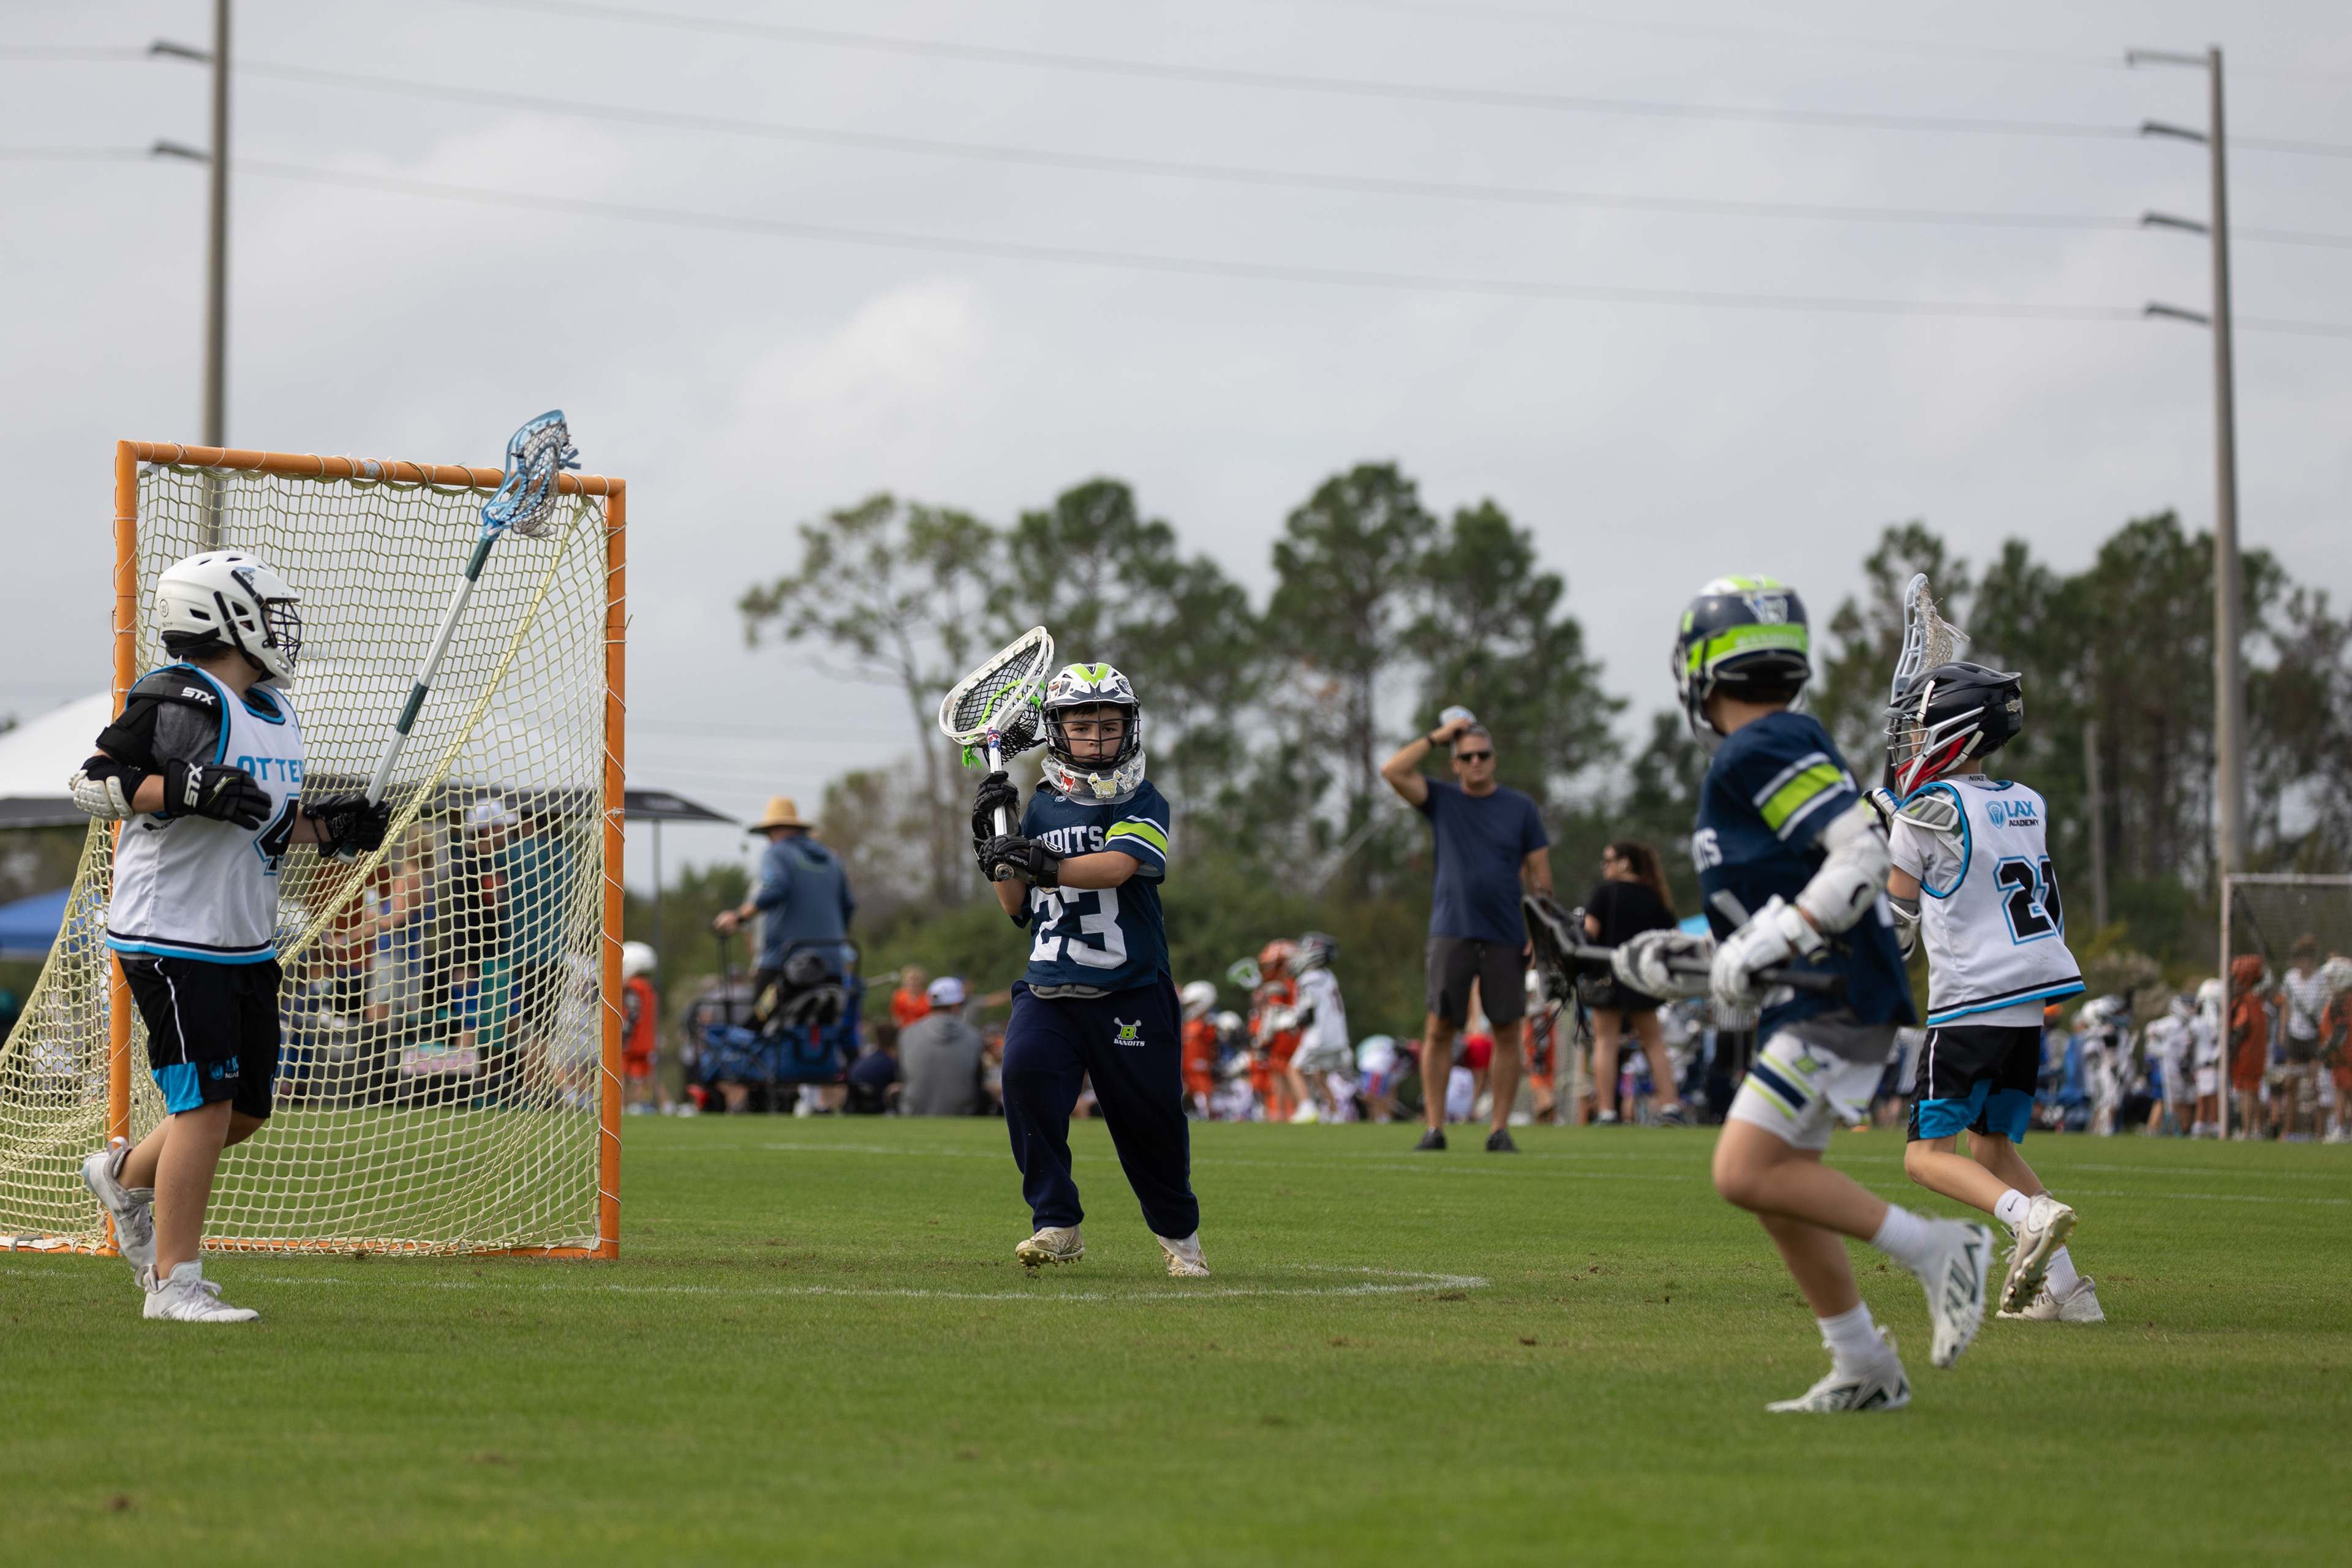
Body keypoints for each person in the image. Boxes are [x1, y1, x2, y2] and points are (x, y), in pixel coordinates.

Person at [1611, 576, 1990, 1413]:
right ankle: (1863, 1366)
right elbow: (1785, 907)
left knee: (1744, 1170)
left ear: (1701, 668)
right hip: (1819, 993)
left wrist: (1767, 942)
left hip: (1833, 998)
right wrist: (1689, 960)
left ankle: (1937, 1249)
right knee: (1783, 1187)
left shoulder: (1760, 746)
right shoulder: (1774, 745)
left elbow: (1859, 859)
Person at [73, 551, 388, 1322]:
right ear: (226, 615)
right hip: (173, 933)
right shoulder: (180, 696)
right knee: (206, 1104)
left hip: (243, 935)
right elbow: (92, 781)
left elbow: (261, 819)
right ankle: (173, 1283)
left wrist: (330, 828)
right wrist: (181, 786)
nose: (282, 630)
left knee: (243, 1109)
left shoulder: (275, 712)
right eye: (269, 614)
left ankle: (123, 1177)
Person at [1878, 660, 2099, 1325]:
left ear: (1954, 730)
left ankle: (2025, 1215)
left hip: (1970, 1002)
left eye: (1917, 729)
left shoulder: (1922, 814)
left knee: (1925, 1158)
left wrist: (1880, 844)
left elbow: (1897, 933)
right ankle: (2068, 1292)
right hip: (2028, 1005)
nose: (1909, 743)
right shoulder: (2028, 801)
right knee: (1992, 1147)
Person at [970, 662, 1207, 1277]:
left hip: (1130, 986)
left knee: (1150, 1123)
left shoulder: (1143, 799)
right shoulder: (1040, 807)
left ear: (1129, 727)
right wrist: (993, 841)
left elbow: (1118, 867)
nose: (1097, 738)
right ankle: (1057, 1222)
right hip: (1050, 983)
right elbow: (1015, 904)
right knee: (1023, 1074)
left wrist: (1039, 862)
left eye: (1109, 724)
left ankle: (1179, 1236)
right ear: (1058, 730)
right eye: (1082, 725)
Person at [1379, 712, 1553, 1153]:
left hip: (1506, 932)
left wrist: (1542, 933)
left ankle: (1499, 1129)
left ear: (1494, 759)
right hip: (1451, 929)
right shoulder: (1442, 799)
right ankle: (1435, 1128)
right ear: (1455, 763)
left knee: (1507, 1031)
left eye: (1483, 755)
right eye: (1467, 756)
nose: (1476, 762)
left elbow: (1541, 877)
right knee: (1440, 1028)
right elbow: (1393, 770)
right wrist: (1439, 737)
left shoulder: (1520, 807)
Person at [713, 794, 855, 1030]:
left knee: (758, 1022)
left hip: (785, 972)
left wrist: (738, 917)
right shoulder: (832, 859)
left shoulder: (776, 853)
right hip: (832, 970)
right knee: (823, 1036)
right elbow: (849, 905)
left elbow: (776, 888)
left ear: (773, 830)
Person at [1580, 840, 1689, 1126]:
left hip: (1608, 974)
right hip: (1643, 977)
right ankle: (1670, 1105)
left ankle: (1607, 1111)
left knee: (1606, 1042)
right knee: (1654, 1042)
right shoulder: (1654, 896)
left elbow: (1589, 933)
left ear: (1624, 862)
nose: (1605, 867)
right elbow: (1675, 937)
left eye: (1608, 861)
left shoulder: (1605, 892)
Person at [1286, 932, 1352, 1123]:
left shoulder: (1308, 979)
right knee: (1319, 1075)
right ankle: (1336, 1114)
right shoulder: (1329, 976)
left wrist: (1288, 1021)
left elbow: (1306, 1014)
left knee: (1293, 1070)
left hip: (1319, 1036)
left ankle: (1307, 1108)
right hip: (1338, 1036)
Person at [899, 976, 987, 1116]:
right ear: (956, 1005)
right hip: (962, 1114)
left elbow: (902, 1076)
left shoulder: (907, 1033)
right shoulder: (974, 1036)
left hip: (914, 1113)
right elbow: (978, 1080)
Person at [2279, 935, 2327, 1141]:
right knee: (2291, 1084)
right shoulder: (2290, 978)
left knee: (2318, 1085)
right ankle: (2289, 1131)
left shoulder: (2321, 978)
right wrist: (2283, 1031)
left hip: (2315, 1037)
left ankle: (2320, 1133)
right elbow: (2286, 1005)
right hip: (2295, 1036)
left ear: (2308, 958)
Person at [1246, 940, 1299, 1122]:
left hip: (1284, 1040)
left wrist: (1263, 1039)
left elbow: (1273, 1016)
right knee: (1283, 1079)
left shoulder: (1281, 986)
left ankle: (1285, 1114)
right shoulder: (1293, 984)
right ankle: (1285, 1114)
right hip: (1291, 1039)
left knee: (1285, 1079)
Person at [2227, 956, 2271, 1139]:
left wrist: (2229, 1048)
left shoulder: (2243, 1002)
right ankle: (2258, 1129)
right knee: (2254, 1091)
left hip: (2245, 1053)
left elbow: (2239, 1028)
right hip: (2259, 1053)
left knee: (2245, 1092)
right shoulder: (2260, 1001)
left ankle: (2246, 1130)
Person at [620, 940, 666, 1113]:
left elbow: (632, 1013)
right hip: (646, 1040)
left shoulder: (633, 987)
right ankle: (665, 1105)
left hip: (633, 1039)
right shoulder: (649, 987)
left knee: (621, 1074)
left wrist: (625, 1035)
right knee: (645, 1076)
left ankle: (622, 1106)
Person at [2142, 993, 2196, 1136]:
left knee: (2178, 1100)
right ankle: (2154, 1129)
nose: (2191, 1009)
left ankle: (2174, 1129)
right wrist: (2158, 1049)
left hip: (2179, 1067)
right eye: (2188, 1007)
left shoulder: (2186, 1025)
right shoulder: (2172, 1023)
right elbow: (2150, 1029)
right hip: (2167, 1067)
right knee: (2164, 1099)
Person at [2320, 957, 2352, 1144]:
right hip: (2343, 1056)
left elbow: (2341, 1030)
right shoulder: (2344, 1000)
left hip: (2344, 1057)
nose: (2329, 982)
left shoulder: (2342, 1002)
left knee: (2341, 1093)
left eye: (2332, 978)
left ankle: (2341, 1129)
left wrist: (2327, 1050)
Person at [1179, 981, 1221, 1119]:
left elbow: (1214, 1046)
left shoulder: (1207, 1024)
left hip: (1201, 1067)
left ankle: (1208, 1117)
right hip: (1186, 1069)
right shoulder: (1187, 1024)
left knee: (1203, 1096)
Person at [2190, 978, 2226, 1137]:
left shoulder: (2219, 1023)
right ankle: (2203, 1125)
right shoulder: (2198, 1023)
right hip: (2204, 1065)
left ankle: (2212, 1125)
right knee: (2205, 1096)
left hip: (2212, 1065)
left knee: (2210, 1096)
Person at [891, 965, 932, 1032]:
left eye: (916, 984)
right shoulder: (900, 996)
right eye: (910, 984)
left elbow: (929, 1020)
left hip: (921, 1031)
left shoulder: (927, 999)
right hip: (904, 1030)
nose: (912, 987)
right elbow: (897, 1017)